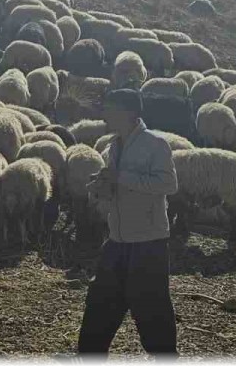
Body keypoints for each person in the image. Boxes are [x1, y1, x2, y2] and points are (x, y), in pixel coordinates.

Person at [77, 89, 179, 357]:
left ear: (128, 113)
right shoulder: (114, 145)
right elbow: (118, 184)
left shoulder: (156, 144)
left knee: (153, 315)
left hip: (148, 243)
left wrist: (120, 177)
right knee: (98, 312)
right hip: (117, 241)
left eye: (109, 109)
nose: (104, 115)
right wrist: (102, 186)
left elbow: (168, 184)